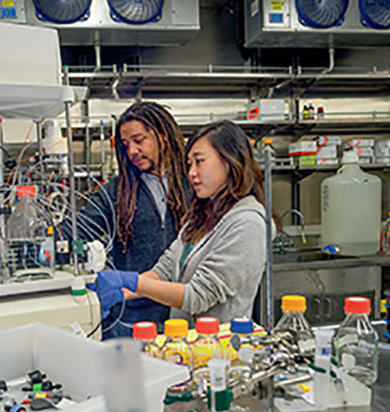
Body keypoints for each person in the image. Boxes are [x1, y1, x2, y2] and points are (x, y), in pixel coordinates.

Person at [89, 120, 271, 325]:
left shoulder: (247, 223)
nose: (191, 172)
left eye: (199, 161)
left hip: (222, 349)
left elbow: (197, 297)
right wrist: (122, 291)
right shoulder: (202, 217)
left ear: (229, 161)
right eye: (189, 164)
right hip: (189, 345)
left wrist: (132, 281)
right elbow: (165, 271)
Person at [76, 101, 190, 337]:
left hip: (186, 314)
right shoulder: (117, 192)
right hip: (132, 321)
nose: (132, 152)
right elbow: (77, 230)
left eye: (139, 140)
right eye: (126, 144)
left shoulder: (195, 183)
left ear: (163, 135)